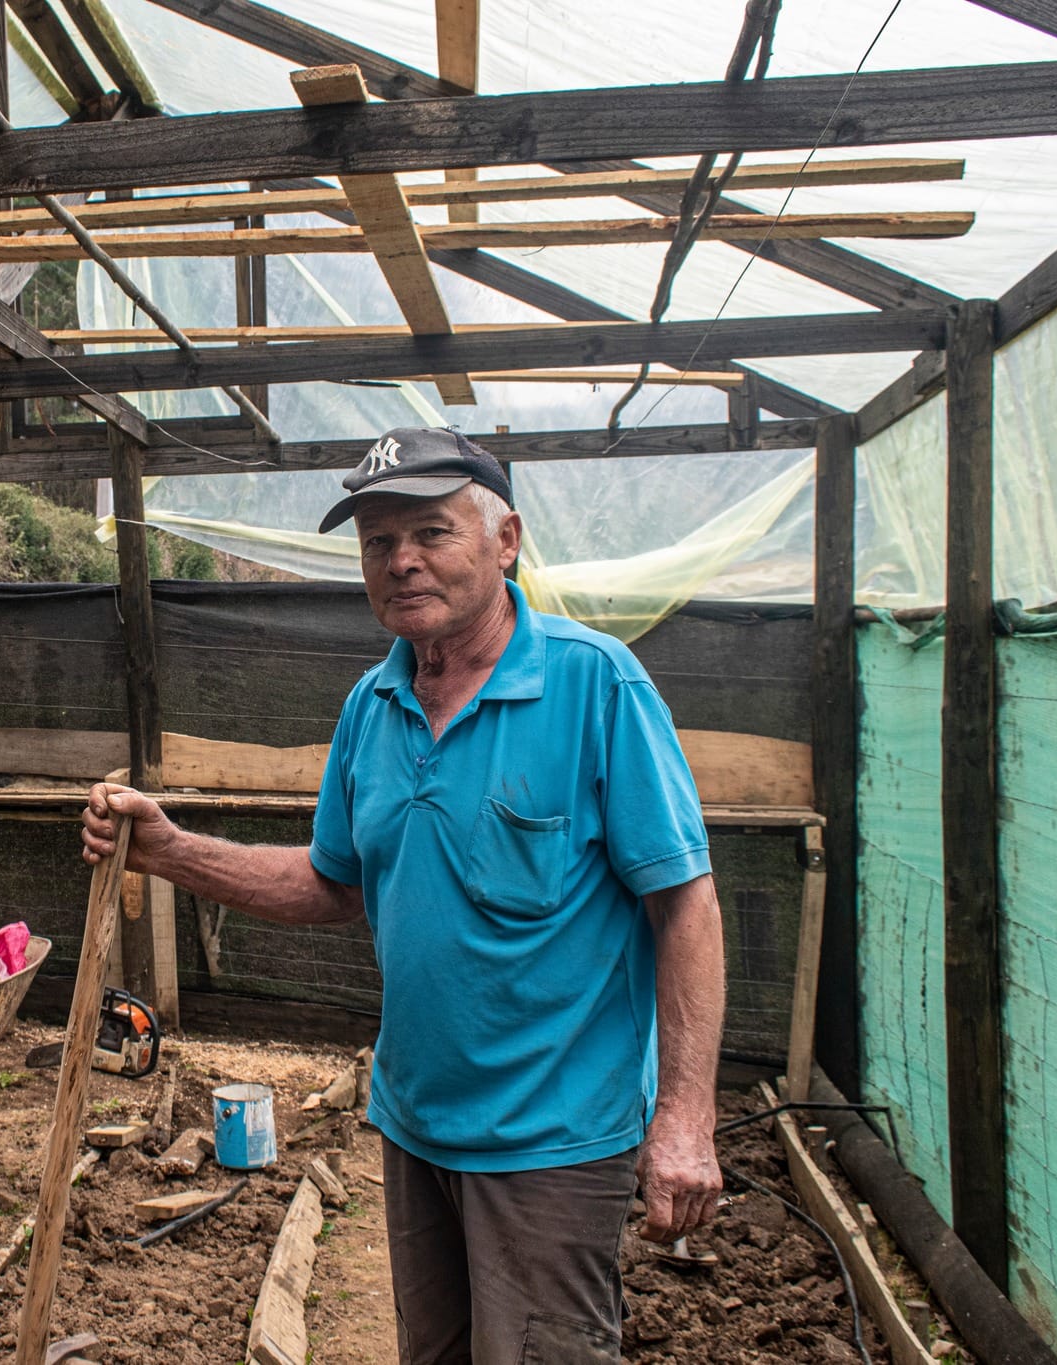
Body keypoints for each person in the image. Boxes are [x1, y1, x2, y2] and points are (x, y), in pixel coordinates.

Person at [80, 427, 724, 1363]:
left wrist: (685, 1116)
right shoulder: (371, 706)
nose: (403, 560)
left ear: (505, 540)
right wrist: (170, 849)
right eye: (379, 542)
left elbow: (687, 905)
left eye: (431, 531)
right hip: (417, 1125)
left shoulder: (595, 685)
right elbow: (333, 883)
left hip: (551, 1141)